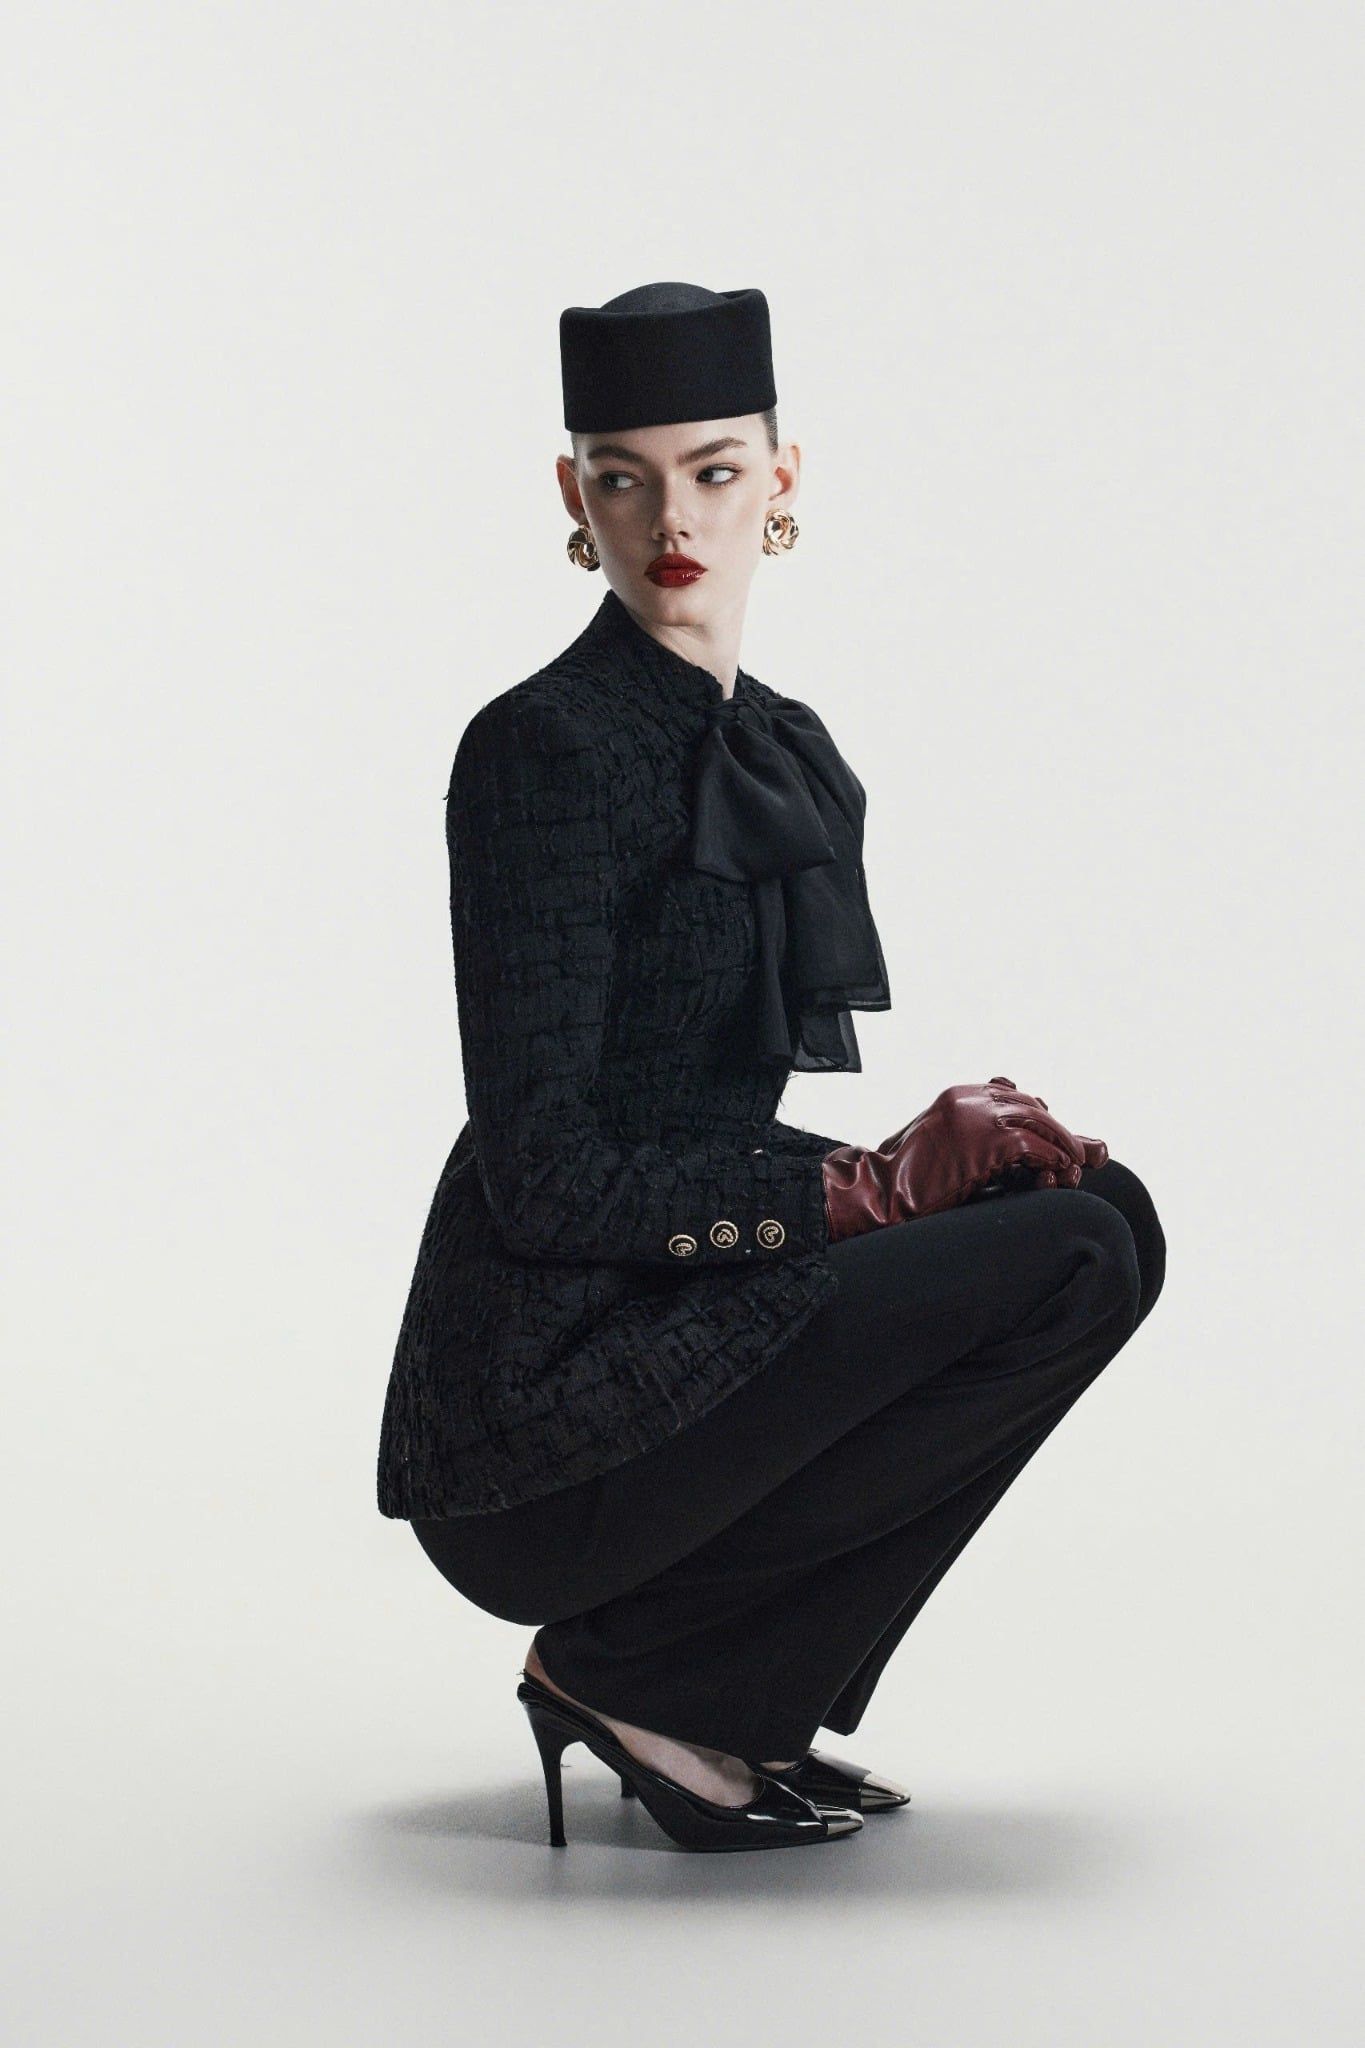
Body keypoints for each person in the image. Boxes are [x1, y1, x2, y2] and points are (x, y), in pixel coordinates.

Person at [375, 281, 1167, 1854]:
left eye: (714, 471)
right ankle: (633, 1677)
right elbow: (546, 1175)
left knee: (1105, 1215)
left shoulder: (781, 742)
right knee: (1069, 1250)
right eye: (624, 478)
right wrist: (861, 1194)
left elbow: (693, 1116)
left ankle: (733, 1695)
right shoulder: (540, 744)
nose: (671, 519)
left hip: (669, 1324)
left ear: (780, 482)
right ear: (573, 496)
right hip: (540, 1412)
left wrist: (911, 1172)